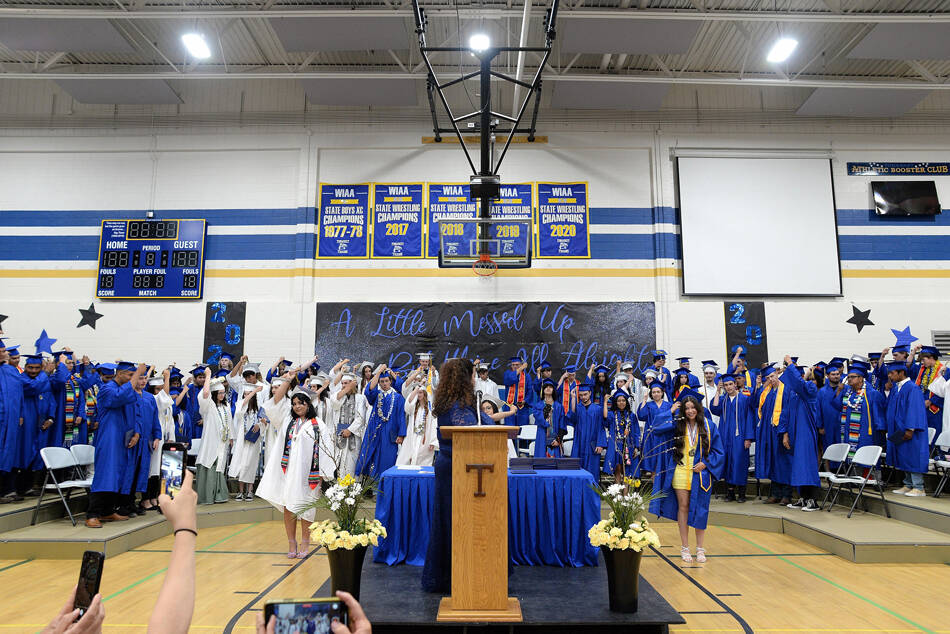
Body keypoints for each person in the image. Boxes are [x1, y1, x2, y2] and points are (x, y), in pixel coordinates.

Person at [258, 385, 334, 559]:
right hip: (289, 473)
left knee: (307, 509)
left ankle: (305, 542)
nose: (297, 406)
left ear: (308, 404)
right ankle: (291, 542)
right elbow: (273, 405)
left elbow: (325, 449)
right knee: (289, 507)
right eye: (294, 404)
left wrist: (322, 474)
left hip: (309, 475)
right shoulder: (288, 422)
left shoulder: (318, 425)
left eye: (301, 403)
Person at [422, 358, 478, 593]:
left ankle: (450, 572)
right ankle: (453, 573)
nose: (475, 378)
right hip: (457, 464)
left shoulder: (449, 400)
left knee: (447, 518)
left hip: (453, 464)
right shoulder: (459, 405)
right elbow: (465, 430)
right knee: (454, 519)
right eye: (473, 374)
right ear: (464, 377)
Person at [649, 391, 724, 564]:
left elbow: (719, 451)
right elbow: (656, 429)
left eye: (693, 407)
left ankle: (699, 548)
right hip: (681, 471)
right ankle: (685, 547)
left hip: (700, 473)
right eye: (687, 408)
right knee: (683, 507)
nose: (690, 411)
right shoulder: (677, 424)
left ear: (698, 408)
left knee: (700, 509)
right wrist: (670, 411)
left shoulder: (709, 425)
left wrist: (706, 463)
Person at [86, 361, 145, 528]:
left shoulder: (128, 389)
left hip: (123, 438)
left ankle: (106, 511)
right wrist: (137, 374)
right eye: (130, 375)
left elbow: (135, 411)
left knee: (117, 475)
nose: (132, 379)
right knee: (105, 474)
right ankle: (93, 513)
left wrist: (136, 433)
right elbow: (119, 398)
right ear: (119, 373)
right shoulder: (107, 389)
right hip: (109, 437)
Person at [779, 359, 821, 511]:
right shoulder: (792, 394)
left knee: (807, 465)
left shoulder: (810, 389)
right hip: (794, 434)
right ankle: (803, 498)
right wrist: (784, 434)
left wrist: (791, 364)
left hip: (806, 434)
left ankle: (813, 500)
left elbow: (800, 384)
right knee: (797, 466)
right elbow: (785, 413)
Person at [885, 360, 930, 497]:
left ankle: (919, 487)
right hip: (899, 429)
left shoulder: (912, 388)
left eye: (892, 373)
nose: (890, 376)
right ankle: (908, 484)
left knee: (913, 455)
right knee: (903, 455)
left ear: (902, 372)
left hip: (911, 431)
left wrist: (911, 429)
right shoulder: (897, 388)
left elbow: (914, 409)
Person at [355, 365, 405, 480]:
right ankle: (372, 488)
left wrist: (401, 434)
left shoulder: (398, 398)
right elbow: (369, 390)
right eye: (381, 381)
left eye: (386, 381)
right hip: (375, 430)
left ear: (390, 382)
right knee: (373, 457)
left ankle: (386, 486)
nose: (384, 384)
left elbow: (401, 417)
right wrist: (378, 373)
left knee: (388, 458)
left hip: (390, 433)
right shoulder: (377, 396)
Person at [709, 374, 754, 502]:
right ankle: (730, 493)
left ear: (735, 384)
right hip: (725, 437)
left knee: (739, 463)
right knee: (727, 463)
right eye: (726, 385)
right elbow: (714, 408)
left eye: (730, 384)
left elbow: (749, 418)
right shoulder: (723, 400)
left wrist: (748, 438)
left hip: (739, 437)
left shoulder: (744, 399)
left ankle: (742, 494)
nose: (728, 387)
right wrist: (718, 390)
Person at [754, 364, 792, 505]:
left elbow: (787, 413)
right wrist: (758, 386)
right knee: (773, 462)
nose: (771, 379)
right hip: (768, 431)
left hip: (780, 432)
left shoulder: (785, 390)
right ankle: (775, 493)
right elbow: (757, 406)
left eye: (773, 376)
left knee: (783, 463)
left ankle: (786, 495)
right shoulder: (767, 392)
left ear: (777, 374)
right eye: (768, 377)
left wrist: (785, 433)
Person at [195, 369, 231, 505]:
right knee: (210, 463)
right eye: (219, 393)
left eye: (223, 393)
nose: (222, 395)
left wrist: (231, 438)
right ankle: (207, 496)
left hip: (222, 442)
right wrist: (209, 377)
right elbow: (204, 394)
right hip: (211, 442)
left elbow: (230, 424)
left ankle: (219, 495)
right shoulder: (208, 406)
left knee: (220, 466)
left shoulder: (225, 407)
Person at [838, 364, 887, 460]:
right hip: (849, 432)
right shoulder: (848, 394)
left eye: (853, 377)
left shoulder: (872, 394)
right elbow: (837, 407)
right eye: (848, 377)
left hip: (865, 433)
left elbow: (879, 417)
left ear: (861, 378)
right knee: (851, 460)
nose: (849, 379)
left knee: (866, 460)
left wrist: (879, 435)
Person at [230, 383, 266, 500]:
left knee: (251, 465)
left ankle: (250, 491)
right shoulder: (241, 406)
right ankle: (241, 491)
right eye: (245, 394)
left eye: (248, 394)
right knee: (241, 465)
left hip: (253, 441)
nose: (247, 396)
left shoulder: (259, 407)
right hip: (242, 441)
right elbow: (241, 406)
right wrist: (254, 391)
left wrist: (259, 425)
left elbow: (265, 422)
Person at [328, 372, 366, 477]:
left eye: (346, 383)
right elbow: (334, 403)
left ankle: (353, 488)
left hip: (353, 435)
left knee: (352, 461)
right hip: (339, 434)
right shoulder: (339, 396)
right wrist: (346, 389)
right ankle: (339, 488)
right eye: (343, 383)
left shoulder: (360, 398)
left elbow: (360, 417)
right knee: (338, 461)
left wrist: (350, 430)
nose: (344, 385)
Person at [0, 344, 24, 503]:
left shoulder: (10, 371)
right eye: (2, 351)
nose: (6, 353)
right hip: (2, 420)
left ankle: (7, 489)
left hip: (11, 421)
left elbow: (20, 394)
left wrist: (21, 413)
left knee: (10, 454)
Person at [568, 382, 606, 480]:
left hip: (592, 444)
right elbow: (572, 419)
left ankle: (592, 494)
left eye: (585, 394)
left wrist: (600, 444)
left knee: (592, 470)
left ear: (590, 393)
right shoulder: (578, 408)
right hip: (579, 442)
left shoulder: (597, 409)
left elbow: (601, 428)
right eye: (581, 395)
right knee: (577, 470)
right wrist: (573, 398)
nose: (583, 397)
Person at [602, 390, 640, 482]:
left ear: (626, 402)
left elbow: (636, 432)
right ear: (615, 402)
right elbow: (605, 417)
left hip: (629, 445)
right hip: (615, 445)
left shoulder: (632, 415)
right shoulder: (612, 414)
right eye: (619, 401)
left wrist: (636, 447)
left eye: (623, 400)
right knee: (617, 469)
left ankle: (626, 495)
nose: (621, 402)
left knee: (627, 472)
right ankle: (618, 495)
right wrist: (605, 402)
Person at [397, 384, 438, 466]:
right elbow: (408, 404)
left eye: (420, 393)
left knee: (423, 461)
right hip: (412, 437)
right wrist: (416, 389)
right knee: (407, 458)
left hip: (425, 439)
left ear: (424, 394)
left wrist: (433, 442)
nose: (418, 395)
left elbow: (434, 426)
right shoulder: (413, 408)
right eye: (417, 393)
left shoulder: (430, 409)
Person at [913, 345, 946, 439]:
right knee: (923, 433)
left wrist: (930, 401)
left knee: (936, 432)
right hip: (922, 406)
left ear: (931, 358)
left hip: (936, 408)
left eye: (924, 360)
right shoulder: (923, 371)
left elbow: (945, 391)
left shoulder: (944, 371)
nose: (922, 363)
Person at [638, 383, 671, 475]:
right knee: (653, 462)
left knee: (663, 461)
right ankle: (654, 485)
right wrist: (644, 399)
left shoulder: (668, 405)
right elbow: (641, 416)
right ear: (651, 394)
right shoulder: (648, 405)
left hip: (664, 436)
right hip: (651, 436)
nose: (656, 394)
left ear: (662, 393)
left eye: (658, 392)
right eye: (653, 392)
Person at [531, 379, 566, 457]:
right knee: (541, 459)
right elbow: (540, 420)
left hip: (555, 437)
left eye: (550, 387)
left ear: (553, 390)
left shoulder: (559, 406)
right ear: (543, 390)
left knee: (555, 462)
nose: (548, 388)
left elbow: (562, 425)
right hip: (542, 437)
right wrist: (547, 409)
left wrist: (558, 440)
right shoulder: (538, 406)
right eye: (546, 387)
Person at [817, 360, 845, 450]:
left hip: (842, 424)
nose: (836, 376)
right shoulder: (822, 391)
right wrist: (820, 426)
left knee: (842, 449)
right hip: (827, 425)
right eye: (833, 374)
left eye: (837, 374)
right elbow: (819, 410)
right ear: (827, 376)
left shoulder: (846, 389)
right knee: (829, 449)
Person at [503, 357, 531, 428]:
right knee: (510, 430)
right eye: (513, 365)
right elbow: (510, 379)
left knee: (523, 430)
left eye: (517, 365)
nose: (515, 366)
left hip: (522, 408)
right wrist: (521, 368)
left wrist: (525, 401)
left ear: (521, 365)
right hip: (509, 407)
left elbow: (530, 391)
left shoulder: (527, 377)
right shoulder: (507, 374)